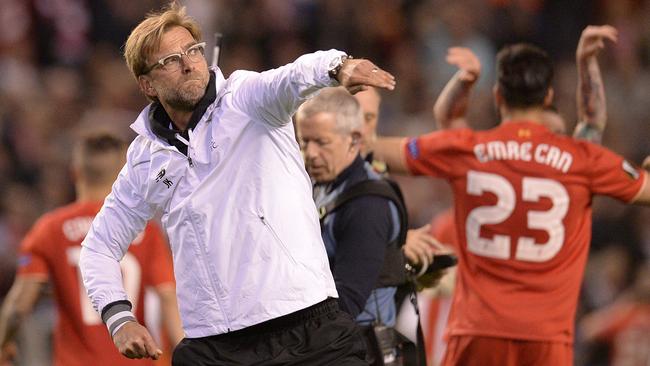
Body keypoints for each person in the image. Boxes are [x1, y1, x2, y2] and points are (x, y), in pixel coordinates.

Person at [78, 2, 396, 365]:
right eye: (170, 60)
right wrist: (119, 319)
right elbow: (99, 246)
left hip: (307, 325)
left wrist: (338, 66)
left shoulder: (246, 98)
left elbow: (292, 76)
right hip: (215, 345)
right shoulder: (144, 158)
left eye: (193, 51)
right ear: (147, 84)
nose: (188, 64)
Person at [373, 43, 650, 365]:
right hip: (547, 338)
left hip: (477, 332)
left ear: (498, 96)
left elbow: (383, 151)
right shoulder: (582, 159)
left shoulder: (469, 149)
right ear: (548, 97)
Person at [0, 130, 183, 366]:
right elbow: (168, 297)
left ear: (75, 173)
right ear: (123, 174)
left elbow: (19, 305)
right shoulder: (146, 232)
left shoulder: (49, 229)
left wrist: (4, 342)